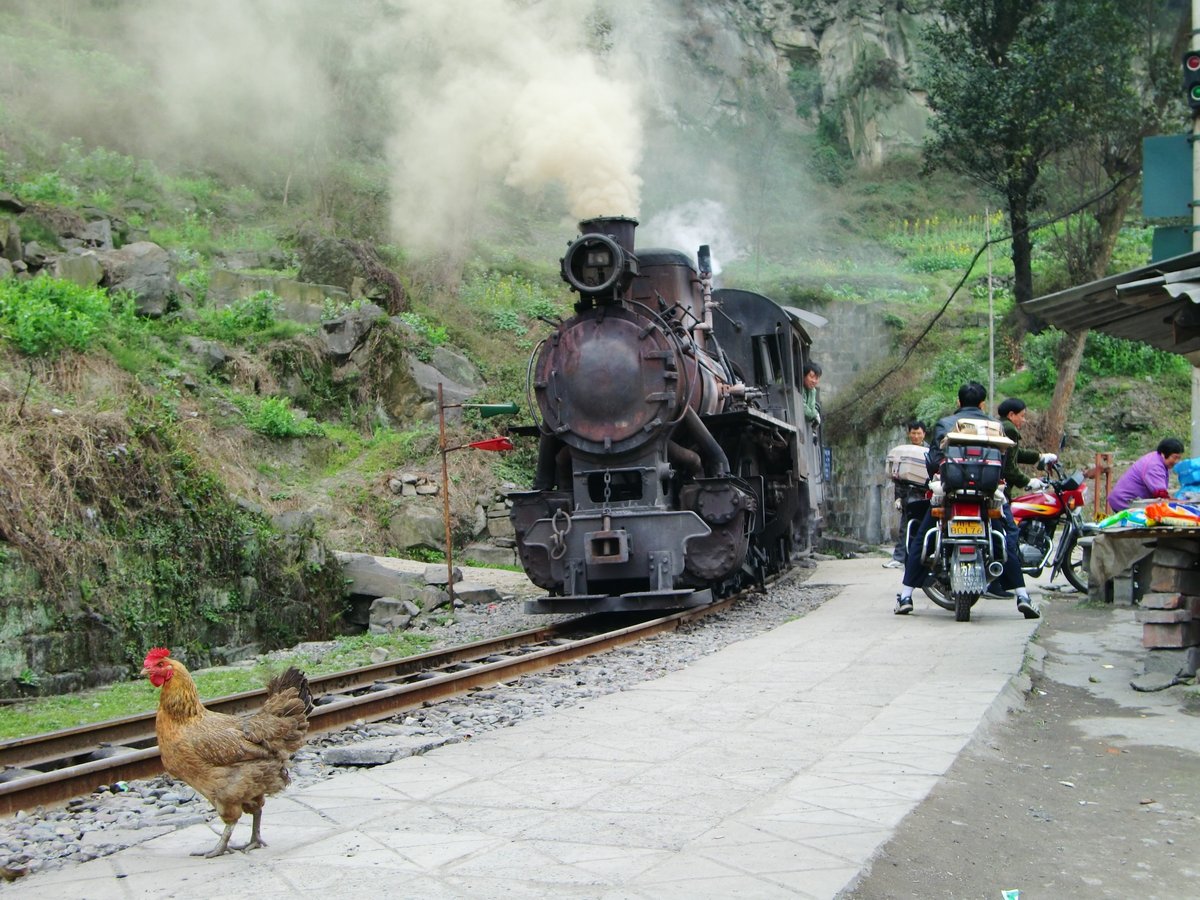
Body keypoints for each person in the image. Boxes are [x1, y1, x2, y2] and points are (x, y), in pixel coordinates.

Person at [894, 381, 1039, 619]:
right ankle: (1023, 596)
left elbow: (933, 461)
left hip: (950, 495)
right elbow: (1002, 464)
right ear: (982, 404)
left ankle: (906, 596)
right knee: (1005, 537)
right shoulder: (994, 425)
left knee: (924, 535)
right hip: (986, 495)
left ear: (958, 402)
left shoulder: (945, 424)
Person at [988, 397, 1058, 603]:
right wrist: (1028, 482)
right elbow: (1009, 468)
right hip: (1001, 492)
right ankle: (999, 580)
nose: (1023, 420)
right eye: (1022, 416)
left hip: (994, 489)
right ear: (1011, 415)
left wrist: (1039, 456)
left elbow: (1014, 455)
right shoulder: (1008, 429)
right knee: (1009, 533)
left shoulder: (1000, 426)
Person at [884, 421, 928, 569]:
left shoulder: (930, 452)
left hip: (926, 494)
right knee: (905, 527)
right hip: (908, 495)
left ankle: (921, 558)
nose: (916, 436)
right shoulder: (903, 453)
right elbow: (898, 476)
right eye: (913, 433)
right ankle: (899, 557)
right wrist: (898, 497)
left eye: (919, 433)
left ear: (924, 434)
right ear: (909, 434)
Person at [1107, 438, 1185, 512]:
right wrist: (1178, 504)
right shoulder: (1154, 465)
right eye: (1175, 457)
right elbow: (1160, 494)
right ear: (1163, 454)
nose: (1177, 461)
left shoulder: (1156, 458)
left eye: (1179, 458)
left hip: (1131, 500)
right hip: (1124, 501)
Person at [802, 361, 822, 429]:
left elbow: (812, 407)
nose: (814, 381)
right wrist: (815, 415)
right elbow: (803, 408)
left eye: (816, 378)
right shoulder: (799, 388)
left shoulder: (813, 391)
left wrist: (815, 414)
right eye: (811, 377)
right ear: (804, 376)